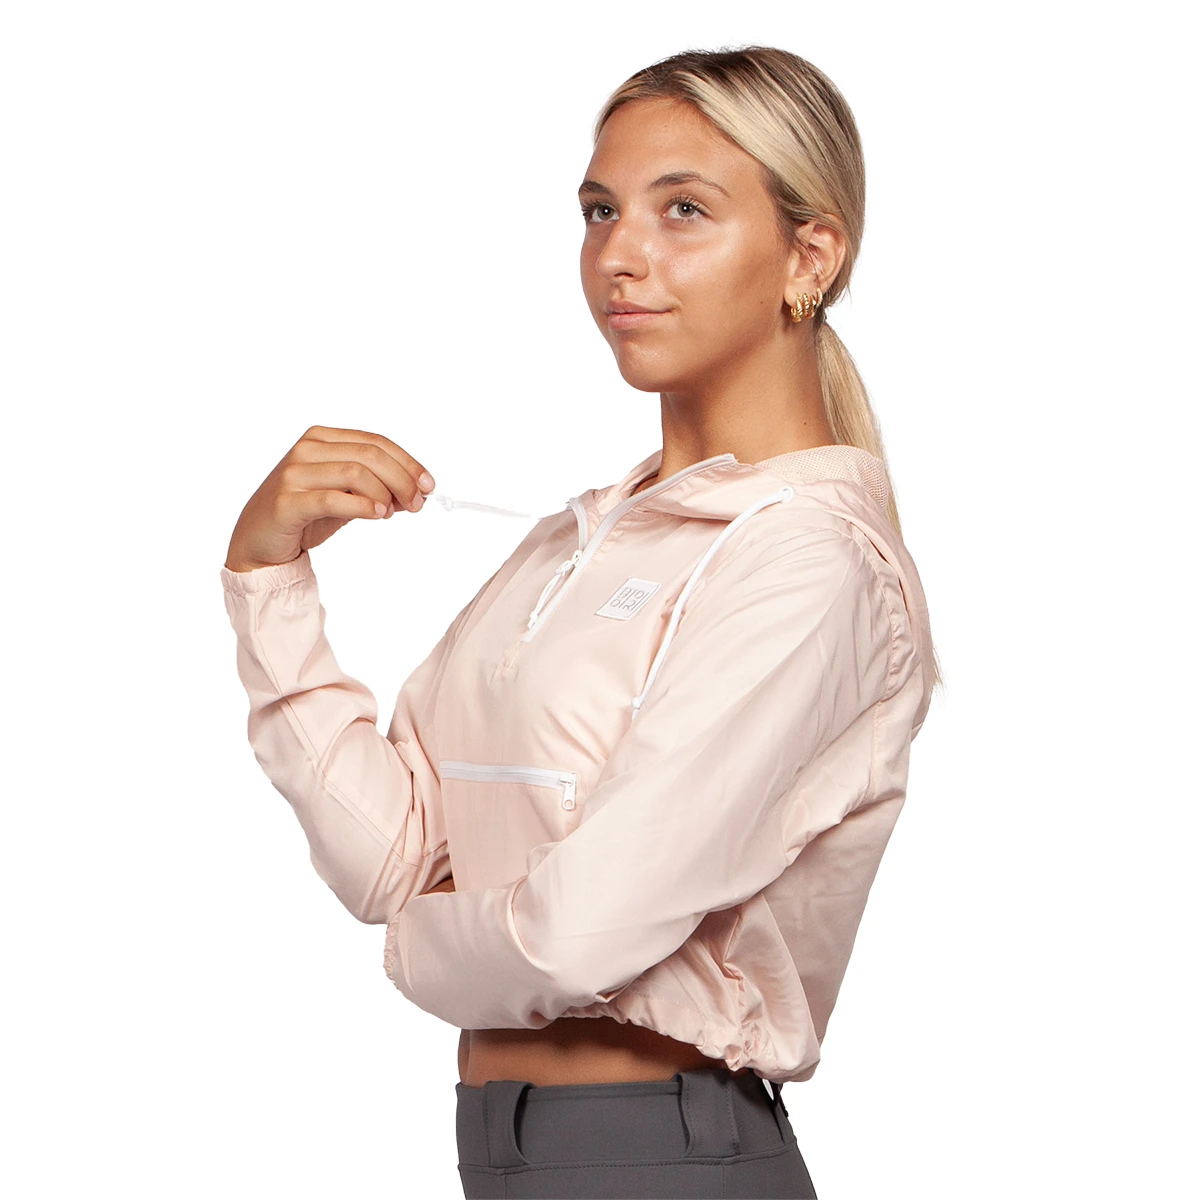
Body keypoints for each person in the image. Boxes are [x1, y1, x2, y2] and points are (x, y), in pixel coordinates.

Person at [220, 44, 941, 1200]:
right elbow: (389, 853)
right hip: (513, 1151)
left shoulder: (810, 561)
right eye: (601, 210)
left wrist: (413, 942)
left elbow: (576, 934)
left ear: (809, 256)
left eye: (683, 210)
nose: (620, 255)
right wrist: (269, 580)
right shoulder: (576, 540)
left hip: (659, 1155)